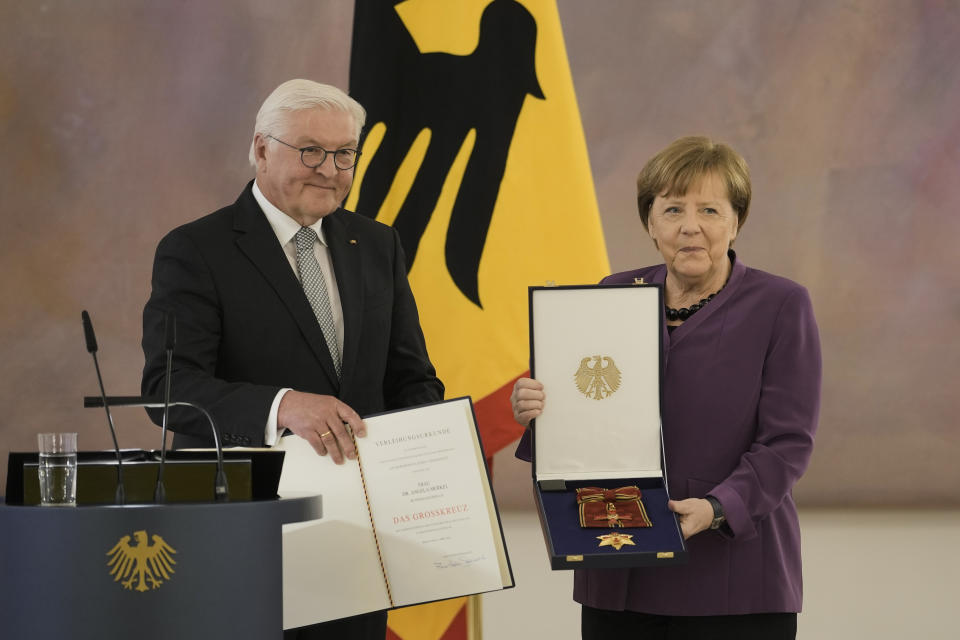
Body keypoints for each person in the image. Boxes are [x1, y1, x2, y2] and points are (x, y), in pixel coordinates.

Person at [142, 79, 444, 639]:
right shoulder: (195, 250)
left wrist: (425, 459)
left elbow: (412, 380)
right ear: (261, 148)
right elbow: (168, 390)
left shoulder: (379, 245)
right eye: (310, 150)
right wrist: (283, 406)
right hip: (241, 536)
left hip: (355, 538)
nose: (329, 168)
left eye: (344, 153)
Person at [510, 136, 821, 640]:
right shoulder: (613, 292)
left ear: (736, 221)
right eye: (672, 208)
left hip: (735, 575)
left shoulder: (781, 304)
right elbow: (588, 411)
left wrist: (718, 508)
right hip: (617, 564)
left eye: (710, 209)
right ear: (650, 223)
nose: (690, 226)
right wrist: (541, 408)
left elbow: (788, 444)